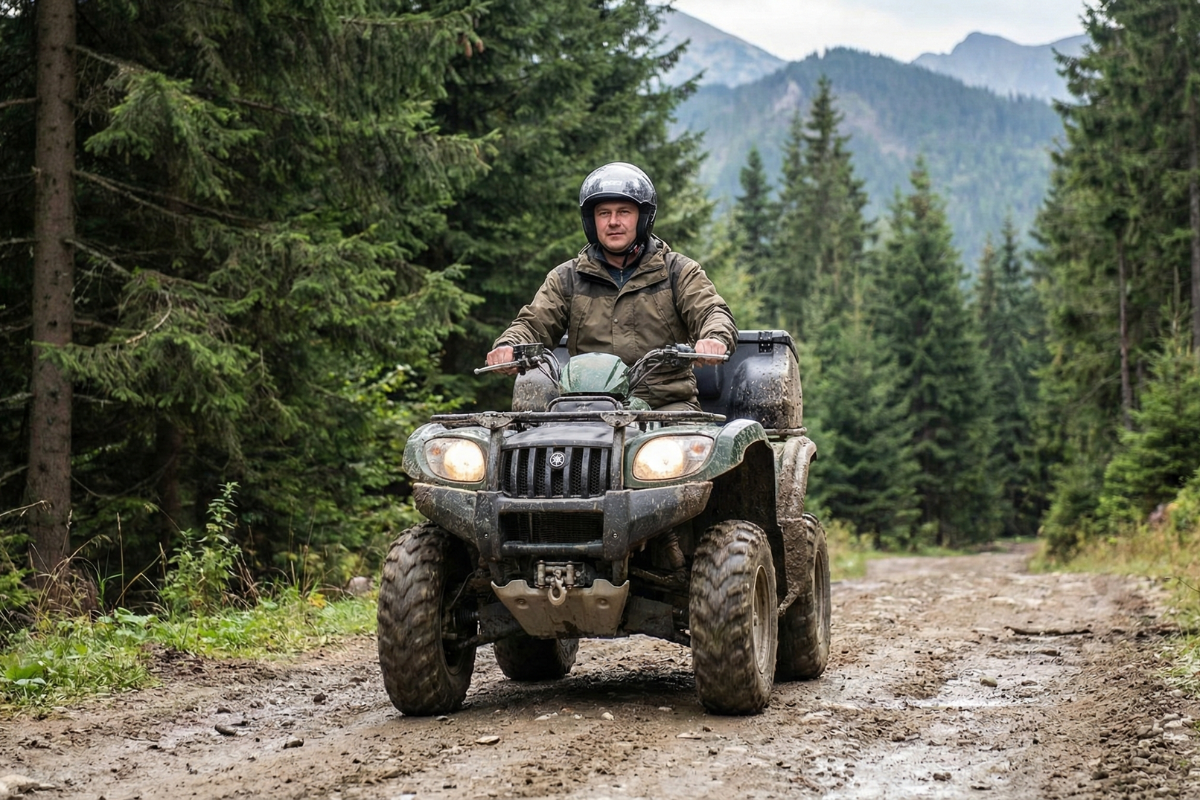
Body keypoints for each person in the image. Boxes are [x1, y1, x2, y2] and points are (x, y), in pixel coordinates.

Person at [486, 162, 737, 411]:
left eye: (624, 212)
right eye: (604, 213)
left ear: (643, 218)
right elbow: (533, 323)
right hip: (588, 407)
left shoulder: (677, 272)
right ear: (591, 221)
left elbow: (711, 311)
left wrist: (714, 338)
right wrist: (508, 346)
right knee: (545, 444)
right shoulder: (568, 278)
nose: (613, 221)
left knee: (680, 447)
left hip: (665, 407)